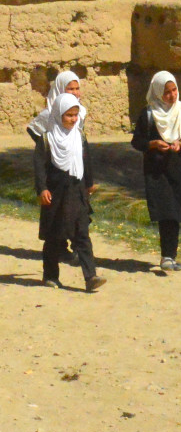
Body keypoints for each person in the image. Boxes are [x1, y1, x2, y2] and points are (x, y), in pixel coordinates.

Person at [34, 93, 106, 292]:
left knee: (82, 233)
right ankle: (50, 275)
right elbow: (39, 167)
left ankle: (90, 277)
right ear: (58, 115)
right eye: (69, 115)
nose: (74, 119)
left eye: (76, 115)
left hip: (77, 191)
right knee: (55, 236)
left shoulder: (79, 136)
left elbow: (86, 160)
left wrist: (89, 183)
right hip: (56, 195)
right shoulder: (47, 139)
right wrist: (42, 189)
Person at [131, 71, 181, 271]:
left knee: (175, 212)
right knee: (166, 211)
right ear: (158, 92)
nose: (172, 95)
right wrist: (153, 144)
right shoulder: (148, 114)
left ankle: (170, 256)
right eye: (166, 92)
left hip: (176, 168)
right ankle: (166, 256)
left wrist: (180, 144)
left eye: (174, 90)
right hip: (156, 170)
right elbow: (137, 141)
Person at [27, 70, 86, 141]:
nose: (75, 92)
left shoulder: (81, 112)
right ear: (60, 89)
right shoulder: (49, 114)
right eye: (70, 89)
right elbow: (33, 130)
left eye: (77, 88)